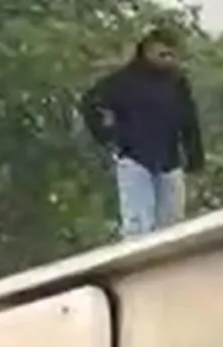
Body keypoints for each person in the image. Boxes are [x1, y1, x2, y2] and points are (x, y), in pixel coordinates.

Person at [81, 27, 204, 238]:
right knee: (138, 226)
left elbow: (188, 120)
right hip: (135, 159)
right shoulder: (123, 81)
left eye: (171, 55)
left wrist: (195, 156)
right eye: (162, 54)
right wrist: (107, 136)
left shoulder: (177, 83)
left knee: (172, 226)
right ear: (147, 51)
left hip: (169, 161)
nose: (167, 60)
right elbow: (90, 105)